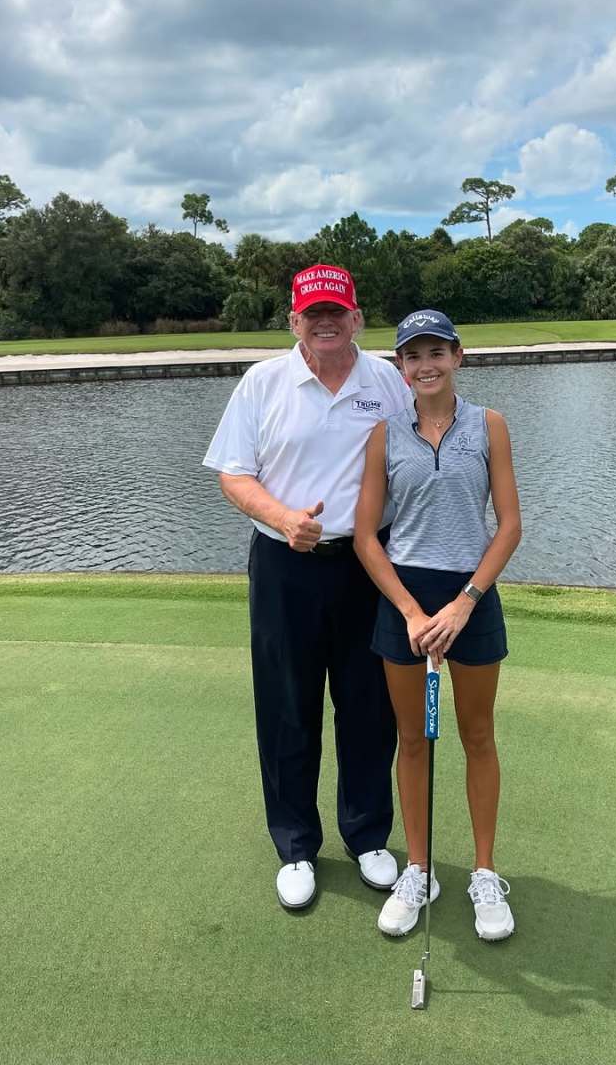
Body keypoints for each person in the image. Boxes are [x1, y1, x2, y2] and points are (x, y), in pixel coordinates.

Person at [202, 265, 410, 910]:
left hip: (369, 563)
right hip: (285, 564)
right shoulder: (263, 382)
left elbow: (421, 454)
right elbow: (233, 474)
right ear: (294, 321)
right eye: (311, 313)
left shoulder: (389, 382)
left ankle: (367, 836)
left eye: (336, 312)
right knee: (288, 706)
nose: (325, 322)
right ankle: (295, 845)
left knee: (368, 704)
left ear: (356, 319)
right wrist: (284, 517)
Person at [354, 309, 522, 941]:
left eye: (435, 353)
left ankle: (483, 873)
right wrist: (411, 612)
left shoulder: (490, 426)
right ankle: (420, 869)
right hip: (407, 597)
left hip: (470, 593)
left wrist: (464, 603)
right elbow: (368, 537)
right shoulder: (384, 434)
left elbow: (508, 525)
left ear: (458, 357)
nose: (425, 366)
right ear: (400, 368)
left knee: (477, 736)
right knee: (413, 738)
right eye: (411, 356)